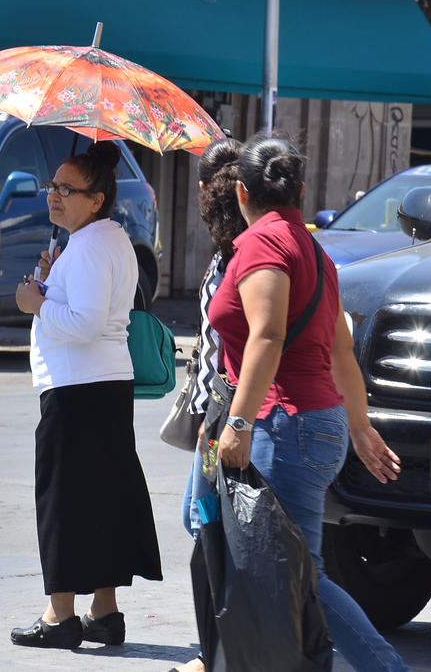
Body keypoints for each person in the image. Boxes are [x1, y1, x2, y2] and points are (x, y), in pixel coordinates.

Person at [208, 134, 407, 671]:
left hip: (283, 425)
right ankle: (225, 657)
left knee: (304, 574)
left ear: (242, 195)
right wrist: (359, 428)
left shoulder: (263, 245)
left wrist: (242, 422)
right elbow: (342, 352)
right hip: (312, 424)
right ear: (298, 192)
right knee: (203, 518)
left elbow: (267, 336)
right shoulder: (314, 251)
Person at [11, 141, 162, 650]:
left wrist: (35, 302)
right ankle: (104, 611)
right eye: (52, 186)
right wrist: (52, 282)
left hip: (78, 390)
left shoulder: (94, 245)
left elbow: (86, 322)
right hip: (100, 386)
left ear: (95, 199)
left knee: (63, 502)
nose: (54, 195)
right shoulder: (105, 239)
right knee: (100, 499)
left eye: (67, 189)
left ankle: (59, 616)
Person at [173, 138, 245, 672]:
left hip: (221, 420)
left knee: (208, 534)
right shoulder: (227, 253)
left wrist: (215, 425)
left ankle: (214, 654)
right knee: (199, 525)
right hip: (212, 416)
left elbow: (232, 353)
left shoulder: (241, 257)